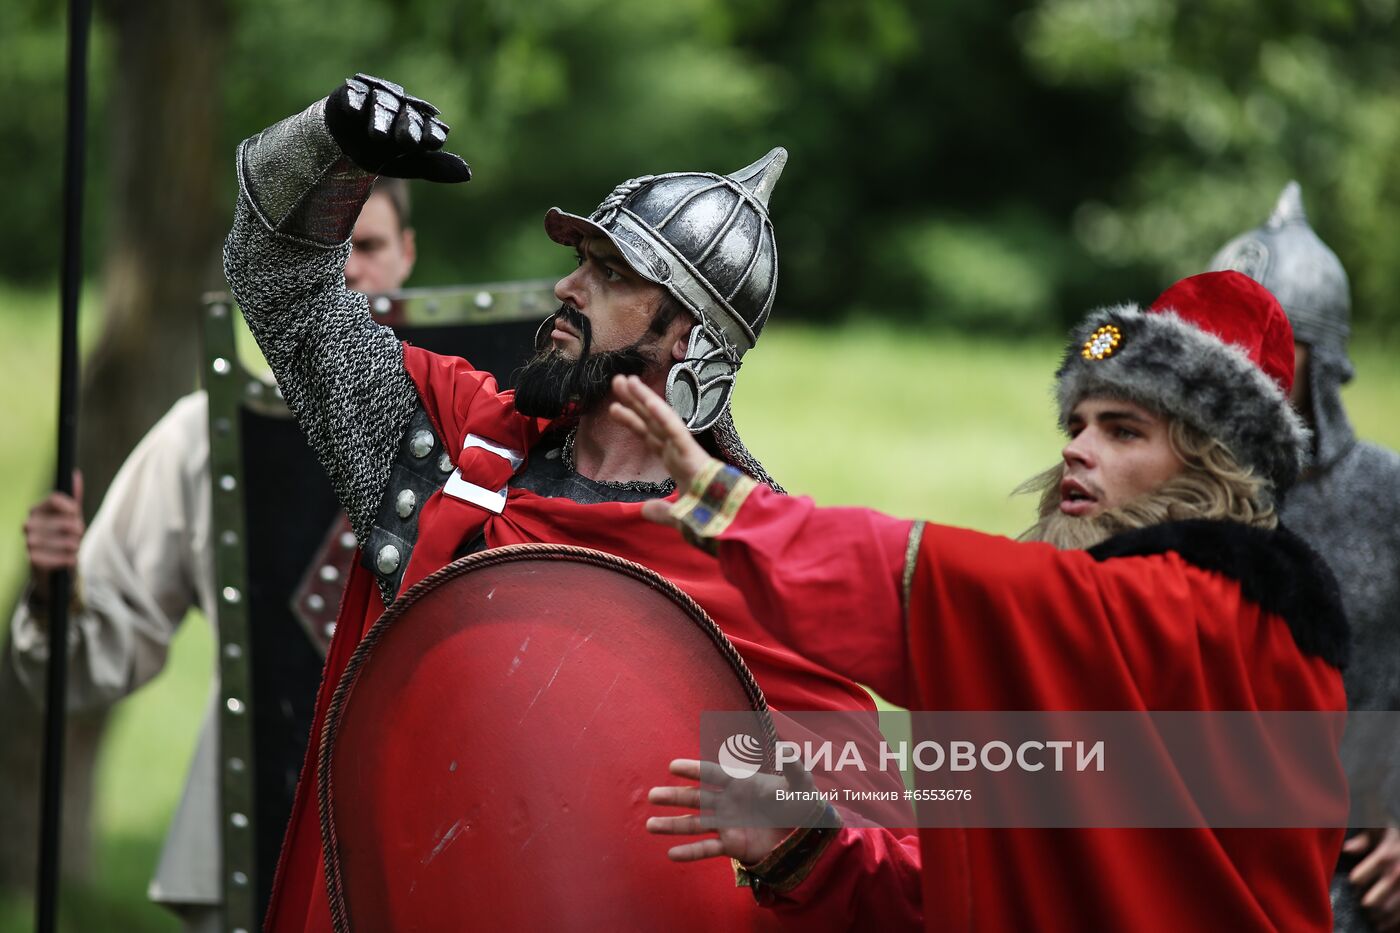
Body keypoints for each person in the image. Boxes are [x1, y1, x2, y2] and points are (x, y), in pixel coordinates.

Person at [224, 74, 921, 931]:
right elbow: (279, 283)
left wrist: (795, 842)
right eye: (580, 262)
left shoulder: (767, 565)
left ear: (689, 339)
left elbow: (894, 885)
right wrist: (329, 147)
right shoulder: (445, 444)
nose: (567, 288)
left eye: (610, 273)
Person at [613, 270, 1351, 931]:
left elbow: (945, 582)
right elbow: (965, 899)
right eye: (1077, 423)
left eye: (1124, 430)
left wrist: (737, 511)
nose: (1076, 448)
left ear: (1216, 468)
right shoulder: (1088, 651)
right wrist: (806, 846)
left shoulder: (1196, 618)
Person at [14, 178, 416, 933]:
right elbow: (85, 660)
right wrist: (52, 590)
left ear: (407, 255)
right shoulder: (205, 436)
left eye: (365, 247)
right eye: (321, 252)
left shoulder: (479, 427)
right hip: (255, 840)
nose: (345, 273)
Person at [1210, 182, 1400, 933]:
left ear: (1316, 360)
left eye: (1266, 347)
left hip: (1357, 875)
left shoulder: (1387, 495)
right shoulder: (1172, 492)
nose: (1240, 371)